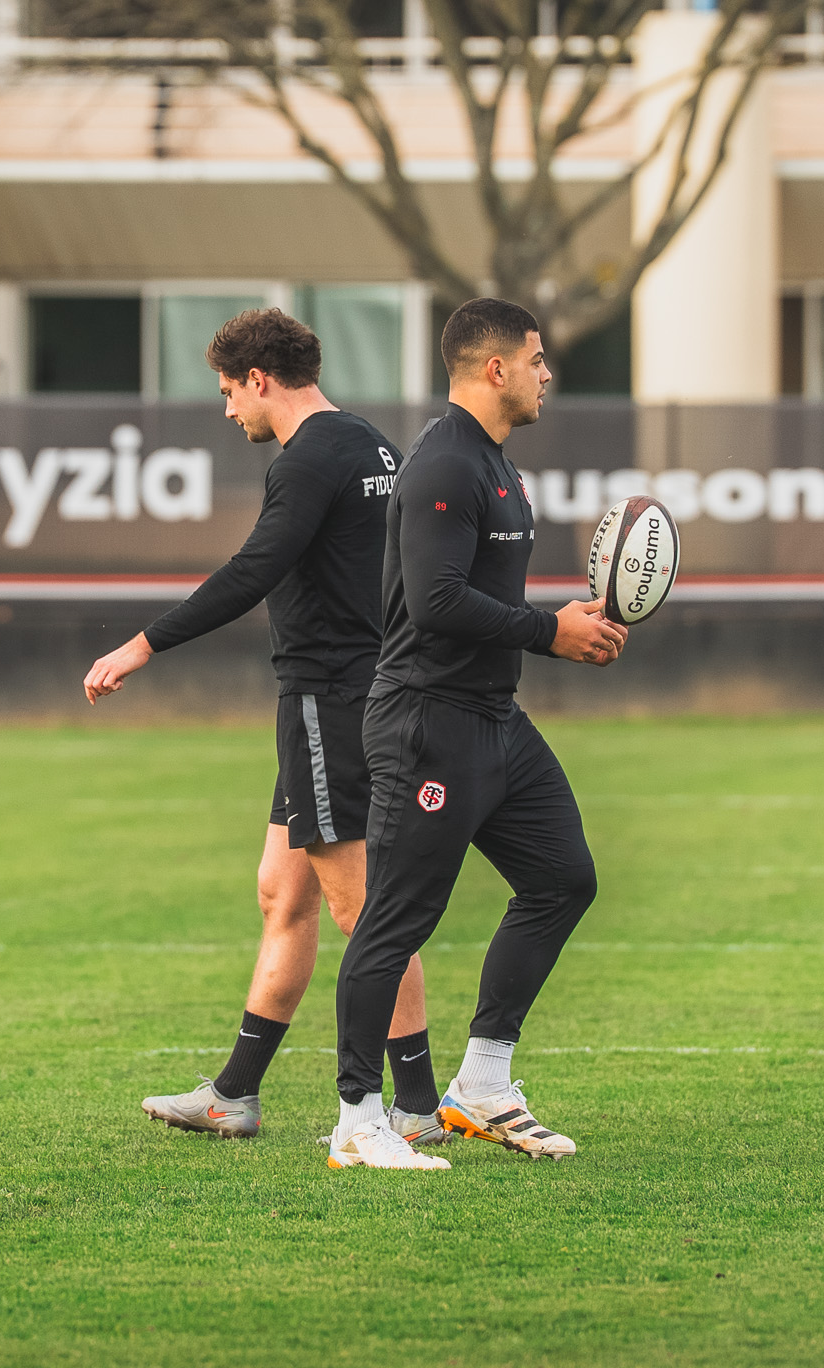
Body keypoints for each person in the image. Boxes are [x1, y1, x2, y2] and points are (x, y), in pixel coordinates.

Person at [84, 309, 446, 1144]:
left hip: (330, 701)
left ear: (260, 379)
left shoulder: (308, 458)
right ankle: (234, 1095)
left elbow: (254, 570)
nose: (226, 412)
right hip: (362, 694)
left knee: (364, 910)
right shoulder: (372, 445)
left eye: (226, 392)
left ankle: (420, 1106)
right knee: (284, 891)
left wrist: (143, 645)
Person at [325, 298, 626, 1172]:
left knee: (564, 879)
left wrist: (579, 620)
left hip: (495, 720)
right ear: (494, 368)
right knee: (393, 923)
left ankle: (483, 1083)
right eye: (536, 358)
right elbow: (437, 602)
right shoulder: (445, 464)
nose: (546, 374)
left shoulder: (496, 464)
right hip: (428, 724)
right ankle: (358, 1119)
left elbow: (483, 593)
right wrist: (550, 632)